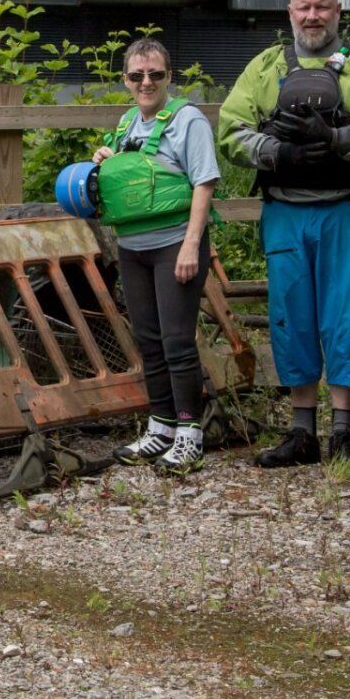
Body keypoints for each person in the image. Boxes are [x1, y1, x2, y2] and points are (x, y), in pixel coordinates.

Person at [219, 0, 350, 466]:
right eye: (303, 8)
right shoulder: (265, 67)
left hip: (344, 209)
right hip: (286, 212)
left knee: (344, 316)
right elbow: (230, 131)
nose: (312, 16)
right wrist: (279, 152)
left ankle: (343, 430)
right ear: (290, 13)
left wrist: (339, 141)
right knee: (291, 315)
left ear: (338, 10)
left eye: (322, 7)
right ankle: (302, 432)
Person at [96, 39, 221, 473]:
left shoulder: (188, 121)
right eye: (136, 76)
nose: (146, 83)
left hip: (174, 245)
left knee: (176, 342)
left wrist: (191, 244)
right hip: (133, 248)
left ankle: (190, 433)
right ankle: (161, 426)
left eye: (155, 75)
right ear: (125, 80)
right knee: (148, 341)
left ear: (170, 76)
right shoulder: (128, 122)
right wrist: (107, 161)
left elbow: (204, 183)